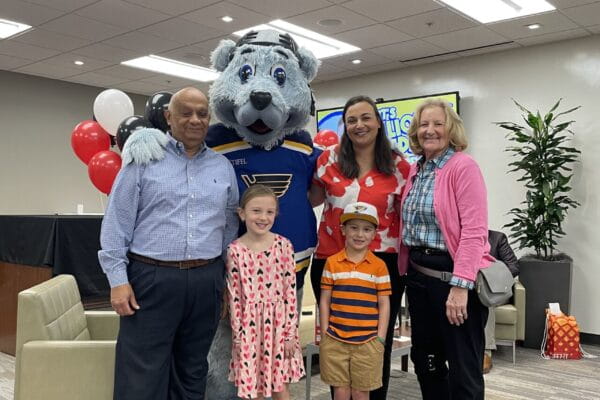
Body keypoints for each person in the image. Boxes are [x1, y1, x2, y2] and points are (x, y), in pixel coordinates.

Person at [98, 87, 239, 400]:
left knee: (193, 371)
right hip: (151, 279)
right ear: (168, 117)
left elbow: (229, 226)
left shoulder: (222, 168)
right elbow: (117, 222)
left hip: (206, 280)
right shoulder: (142, 160)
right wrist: (118, 281)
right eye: (185, 112)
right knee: (142, 375)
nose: (194, 120)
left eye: (202, 113)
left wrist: (224, 281)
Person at [309, 95, 410, 399]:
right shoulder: (328, 159)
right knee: (336, 340)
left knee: (376, 342)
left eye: (366, 118)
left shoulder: (398, 165)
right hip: (331, 260)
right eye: (351, 120)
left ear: (378, 122)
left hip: (382, 263)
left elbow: (411, 213)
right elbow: (310, 199)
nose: (359, 125)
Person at [398, 98, 494, 400]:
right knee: (427, 363)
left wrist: (460, 286)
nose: (430, 130)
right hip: (419, 281)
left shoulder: (463, 166)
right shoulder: (416, 170)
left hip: (453, 281)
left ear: (450, 129)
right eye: (424, 124)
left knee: (463, 367)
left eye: (437, 123)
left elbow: (474, 232)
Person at [226, 184, 305, 399]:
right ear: (242, 214)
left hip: (279, 327)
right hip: (249, 330)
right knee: (253, 388)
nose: (263, 217)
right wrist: (239, 337)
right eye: (256, 211)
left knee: (280, 387)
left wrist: (290, 333)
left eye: (269, 212)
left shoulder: (284, 246)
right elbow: (235, 298)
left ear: (276, 214)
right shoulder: (234, 251)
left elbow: (290, 291)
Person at [319, 201, 391, 400]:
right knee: (340, 392)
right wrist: (325, 332)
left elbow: (384, 304)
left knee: (361, 392)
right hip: (335, 340)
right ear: (343, 230)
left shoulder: (379, 267)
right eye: (354, 228)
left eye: (367, 229)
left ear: (375, 233)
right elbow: (325, 300)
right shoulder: (332, 263)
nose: (360, 234)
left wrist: (380, 338)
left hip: (368, 342)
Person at [484, 229, 520, 373]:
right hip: (471, 289)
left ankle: (485, 352)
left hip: (496, 290)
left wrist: (490, 276)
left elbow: (514, 266)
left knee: (486, 302)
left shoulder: (497, 238)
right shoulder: (459, 238)